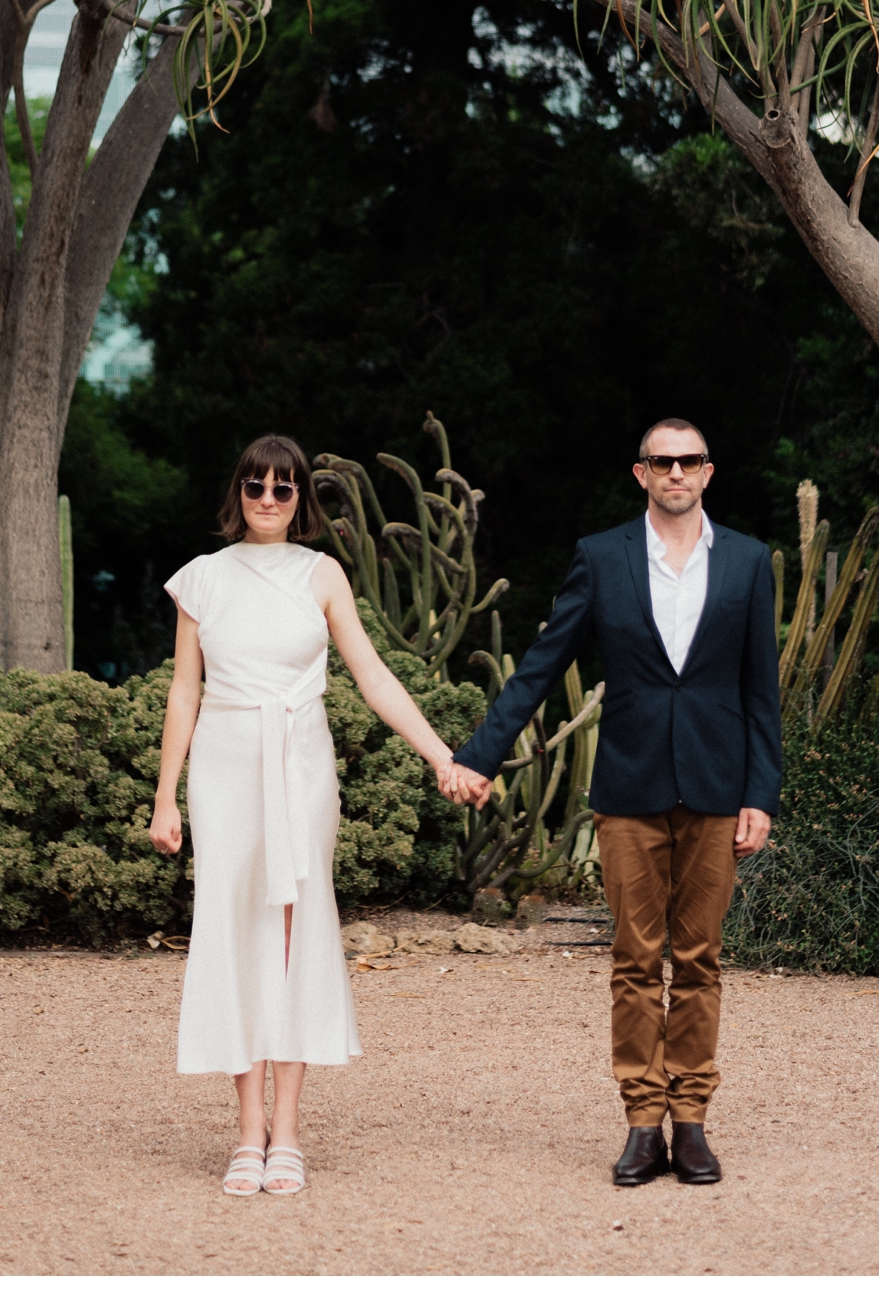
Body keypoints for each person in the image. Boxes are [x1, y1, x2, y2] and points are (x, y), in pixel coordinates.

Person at [444, 418, 781, 1189]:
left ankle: (691, 1122)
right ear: (641, 474)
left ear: (707, 470)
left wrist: (761, 792)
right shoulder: (603, 557)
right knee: (634, 961)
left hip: (718, 789)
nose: (675, 472)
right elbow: (541, 665)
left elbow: (762, 689)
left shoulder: (748, 561)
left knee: (698, 959)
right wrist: (478, 754)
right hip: (628, 789)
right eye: (661, 461)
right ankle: (641, 1124)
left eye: (688, 460)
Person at [148, 432, 462, 1196]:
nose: (267, 499)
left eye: (283, 488)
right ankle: (246, 1130)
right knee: (232, 935)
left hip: (300, 763)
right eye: (256, 485)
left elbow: (373, 675)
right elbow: (184, 692)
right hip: (222, 768)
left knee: (292, 934)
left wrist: (439, 754)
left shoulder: (322, 575)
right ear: (238, 492)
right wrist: (164, 796)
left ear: (300, 500)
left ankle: (287, 1129)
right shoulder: (202, 580)